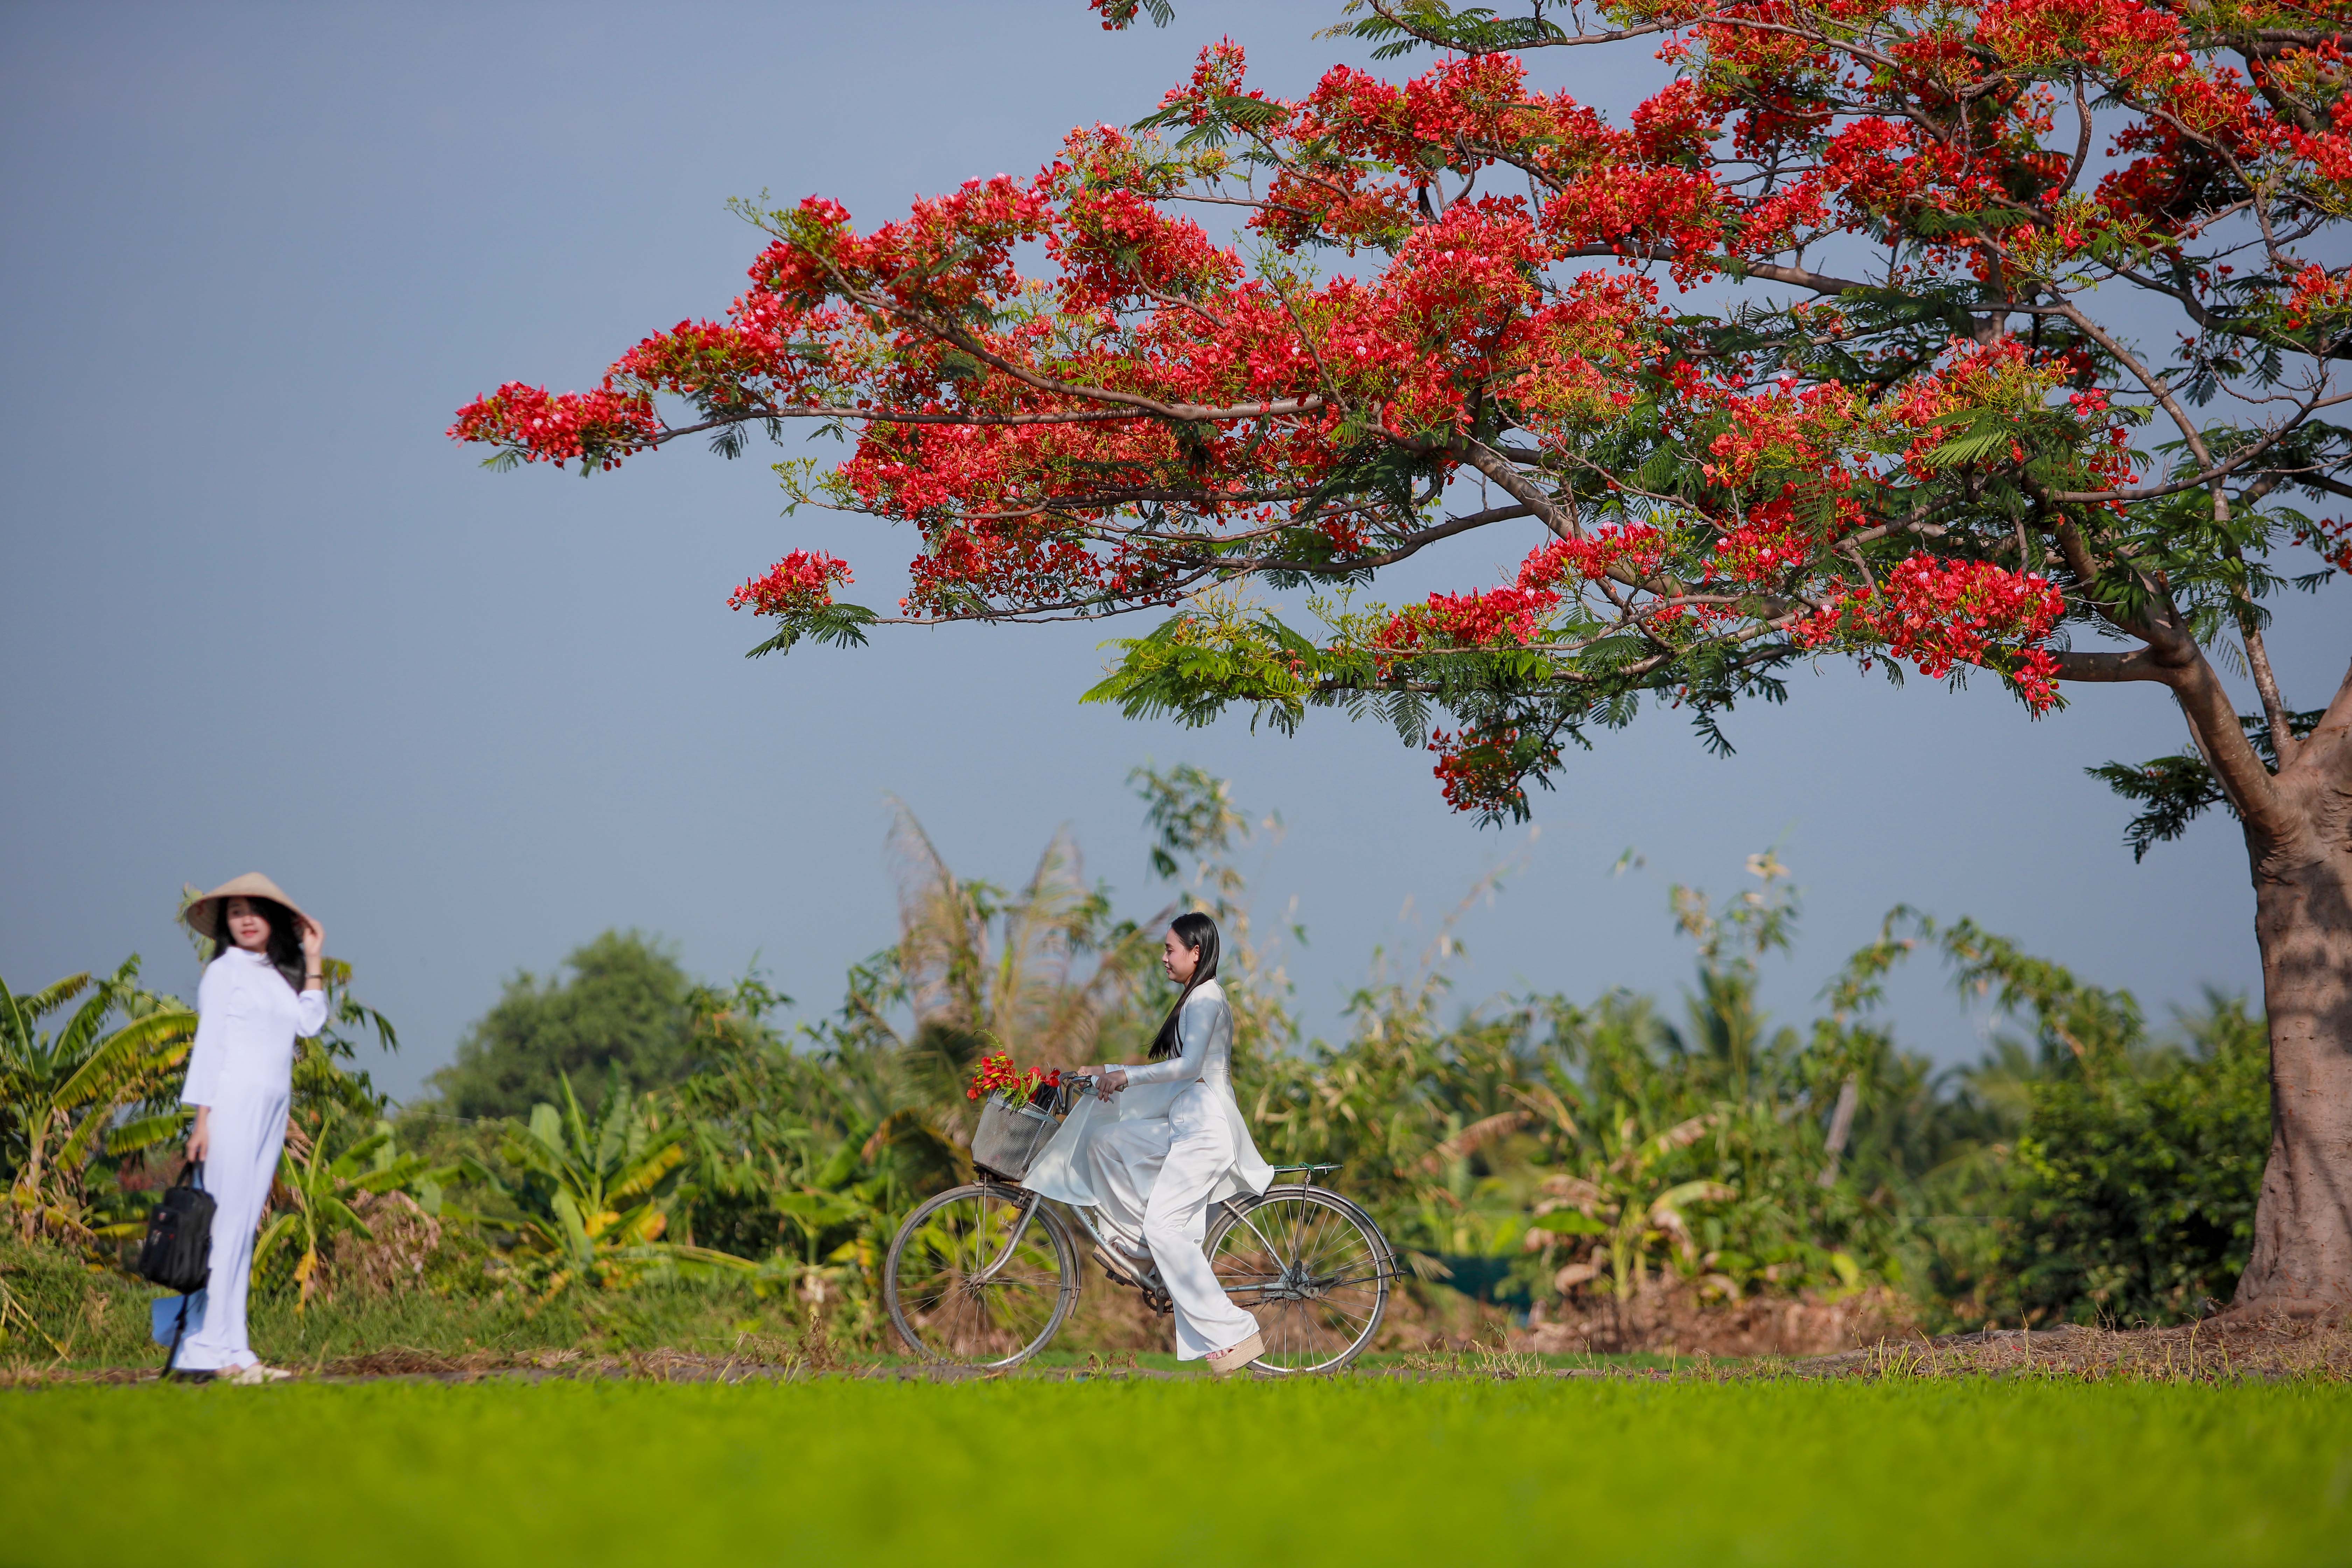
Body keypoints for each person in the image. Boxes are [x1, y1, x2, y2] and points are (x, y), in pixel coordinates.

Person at [1025, 911, 1272, 1375]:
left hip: (1205, 1132)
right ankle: (1136, 1251)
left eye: (1170, 950)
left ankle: (1233, 1330)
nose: (1163, 958)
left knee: (1166, 1227)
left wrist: (1125, 1076)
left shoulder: (1206, 999)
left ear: (1195, 953)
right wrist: (1105, 1072)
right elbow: (1175, 1074)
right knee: (1108, 1141)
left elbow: (1187, 1068)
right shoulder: (1194, 998)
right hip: (1182, 1124)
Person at [173, 873, 328, 1384]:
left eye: (254, 910)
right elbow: (210, 1045)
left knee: (242, 1231)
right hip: (232, 1105)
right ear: (225, 924)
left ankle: (236, 1350)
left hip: (271, 1112)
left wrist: (313, 958)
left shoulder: (272, 975)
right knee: (223, 1227)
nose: (244, 919)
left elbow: (309, 1022)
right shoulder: (224, 972)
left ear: (272, 920)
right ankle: (207, 1350)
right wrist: (202, 1121)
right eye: (235, 911)